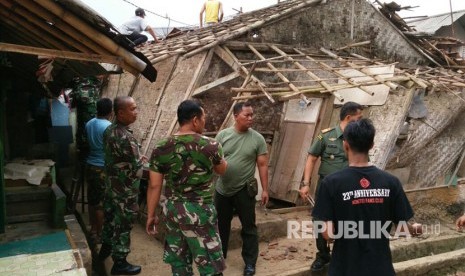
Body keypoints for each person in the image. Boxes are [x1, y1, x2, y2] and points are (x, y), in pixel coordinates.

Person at [312, 118, 422, 276]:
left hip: (345, 268)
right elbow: (403, 228)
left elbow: (328, 235)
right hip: (380, 268)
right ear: (371, 145)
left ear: (345, 145)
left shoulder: (330, 183)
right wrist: (416, 229)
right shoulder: (391, 182)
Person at [146, 100, 228, 276]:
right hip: (201, 213)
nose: (205, 121)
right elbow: (221, 170)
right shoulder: (211, 145)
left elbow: (154, 185)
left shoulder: (161, 147)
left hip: (173, 212)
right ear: (195, 120)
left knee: (180, 264)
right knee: (210, 265)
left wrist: (151, 215)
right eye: (203, 118)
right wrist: (220, 158)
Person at [299, 101, 363, 272]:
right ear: (349, 118)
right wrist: (306, 184)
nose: (361, 121)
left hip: (350, 188)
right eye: (359, 118)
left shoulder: (357, 137)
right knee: (320, 221)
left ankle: (342, 255)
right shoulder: (326, 136)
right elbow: (312, 158)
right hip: (327, 188)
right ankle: (323, 255)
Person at [214, 101, 269, 276]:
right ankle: (219, 258)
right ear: (236, 116)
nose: (251, 118)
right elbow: (213, 161)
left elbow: (262, 165)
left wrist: (265, 189)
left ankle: (250, 263)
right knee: (220, 225)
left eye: (252, 115)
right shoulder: (222, 136)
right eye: (247, 115)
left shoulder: (257, 139)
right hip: (222, 189)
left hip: (245, 190)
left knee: (249, 227)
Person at [98, 96, 146, 275]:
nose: (136, 112)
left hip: (112, 185)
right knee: (124, 224)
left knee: (110, 218)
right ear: (120, 113)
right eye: (132, 109)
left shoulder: (110, 130)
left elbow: (117, 158)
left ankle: (105, 248)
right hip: (125, 190)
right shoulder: (126, 137)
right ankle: (120, 263)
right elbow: (137, 169)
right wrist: (140, 162)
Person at [85, 98, 112, 244]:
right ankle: (100, 235)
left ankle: (93, 230)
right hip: (102, 167)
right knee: (101, 204)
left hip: (90, 164)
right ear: (110, 111)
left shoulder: (89, 123)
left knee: (92, 200)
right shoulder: (108, 127)